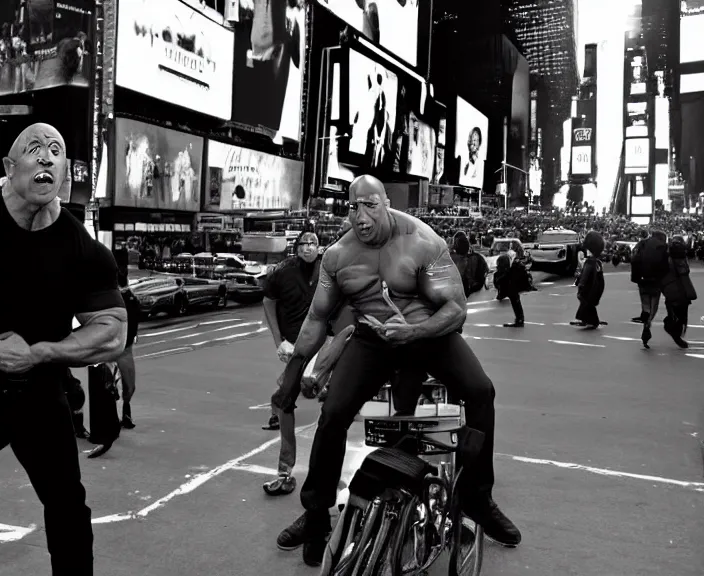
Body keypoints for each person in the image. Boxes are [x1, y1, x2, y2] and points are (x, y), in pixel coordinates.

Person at [273, 175, 520, 567]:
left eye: (370, 205)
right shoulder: (338, 256)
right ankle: (317, 514)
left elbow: (456, 309)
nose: (361, 215)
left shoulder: (422, 242)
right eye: (353, 207)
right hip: (374, 339)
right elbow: (317, 318)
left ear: (386, 203)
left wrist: (416, 332)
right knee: (333, 413)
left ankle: (477, 496)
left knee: (480, 392)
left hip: (429, 333)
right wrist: (294, 372)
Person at [0, 123, 128, 575]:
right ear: (9, 168)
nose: (47, 158)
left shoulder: (80, 246)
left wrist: (40, 354)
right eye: (34, 150)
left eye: (56, 151)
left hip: (37, 388)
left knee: (68, 505)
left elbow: (112, 330)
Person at [261, 231, 322, 496]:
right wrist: (278, 342)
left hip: (326, 343)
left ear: (320, 247)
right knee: (286, 398)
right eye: (303, 243)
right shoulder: (282, 272)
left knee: (332, 407)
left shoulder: (329, 268)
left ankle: (325, 475)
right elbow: (268, 302)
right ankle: (285, 472)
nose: (308, 247)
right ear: (296, 247)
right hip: (296, 348)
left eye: (313, 243)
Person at [631, 229, 669, 348]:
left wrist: (637, 277)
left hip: (642, 280)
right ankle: (648, 324)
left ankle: (646, 315)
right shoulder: (663, 247)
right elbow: (666, 265)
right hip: (655, 281)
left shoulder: (642, 243)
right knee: (654, 304)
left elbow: (633, 257)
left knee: (645, 303)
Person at [661, 236, 697, 349]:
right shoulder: (680, 259)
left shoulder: (666, 258)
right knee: (681, 314)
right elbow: (684, 272)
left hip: (670, 289)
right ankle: (673, 329)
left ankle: (672, 327)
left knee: (674, 311)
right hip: (680, 290)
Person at [117, 268, 140, 428]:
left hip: (124, 347)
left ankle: (125, 411)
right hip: (117, 347)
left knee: (128, 385)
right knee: (124, 384)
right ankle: (123, 413)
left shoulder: (129, 297)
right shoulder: (126, 298)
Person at [573, 231, 606, 329]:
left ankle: (591, 321)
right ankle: (589, 320)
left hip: (587, 288)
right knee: (588, 304)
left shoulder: (589, 262)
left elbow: (585, 276)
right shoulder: (597, 262)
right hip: (595, 288)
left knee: (586, 303)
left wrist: (580, 285)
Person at [494, 249, 530, 328]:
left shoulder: (511, 267)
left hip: (512, 285)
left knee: (515, 300)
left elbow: (503, 278)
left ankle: (520, 320)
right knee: (515, 300)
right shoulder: (513, 265)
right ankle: (519, 320)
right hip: (512, 284)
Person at [450, 231, 487, 297]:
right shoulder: (478, 257)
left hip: (457, 294)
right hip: (475, 294)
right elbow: (485, 272)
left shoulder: (450, 258)